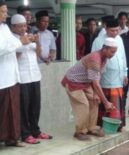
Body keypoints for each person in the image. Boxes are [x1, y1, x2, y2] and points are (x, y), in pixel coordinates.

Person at [61, 38, 117, 141]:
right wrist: (106, 102)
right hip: (73, 82)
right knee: (83, 104)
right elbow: (95, 83)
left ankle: (91, 127)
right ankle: (80, 131)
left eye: (115, 52)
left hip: (85, 82)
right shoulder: (95, 59)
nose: (113, 55)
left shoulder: (104, 59)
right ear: (105, 48)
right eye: (112, 52)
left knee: (95, 100)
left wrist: (96, 94)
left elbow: (97, 78)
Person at [11, 14, 52, 144]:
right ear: (13, 27)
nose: (23, 28)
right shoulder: (12, 40)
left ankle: (36, 131)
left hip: (34, 75)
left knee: (35, 106)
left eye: (25, 26)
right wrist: (24, 43)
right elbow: (14, 58)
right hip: (22, 78)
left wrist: (37, 40)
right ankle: (25, 134)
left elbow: (39, 54)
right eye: (20, 26)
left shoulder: (29, 36)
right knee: (24, 107)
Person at [0, 1, 31, 147]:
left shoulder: (5, 27)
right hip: (1, 78)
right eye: (3, 12)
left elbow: (14, 43)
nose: (6, 15)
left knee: (12, 111)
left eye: (6, 12)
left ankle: (12, 138)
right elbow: (1, 49)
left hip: (11, 76)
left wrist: (25, 40)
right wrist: (20, 43)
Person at [92, 18, 127, 130]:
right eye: (112, 30)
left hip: (119, 78)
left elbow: (123, 56)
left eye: (117, 30)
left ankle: (117, 125)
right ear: (106, 28)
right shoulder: (98, 41)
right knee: (106, 103)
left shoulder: (120, 39)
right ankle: (105, 126)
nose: (115, 33)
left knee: (117, 102)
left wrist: (125, 73)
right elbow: (94, 61)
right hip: (105, 78)